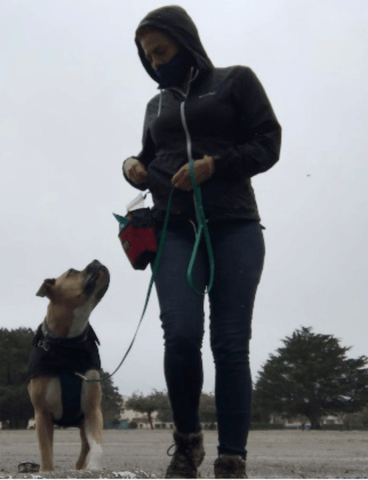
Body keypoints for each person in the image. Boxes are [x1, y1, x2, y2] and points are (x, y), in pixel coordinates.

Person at [122, 6, 281, 479]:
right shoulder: (157, 105)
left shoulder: (235, 81)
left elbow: (268, 143)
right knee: (182, 334)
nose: (155, 63)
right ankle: (187, 443)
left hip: (234, 224)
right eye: (148, 57)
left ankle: (233, 455)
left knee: (230, 343)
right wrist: (132, 165)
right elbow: (149, 158)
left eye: (162, 52)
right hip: (174, 228)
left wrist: (216, 164)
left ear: (184, 41)